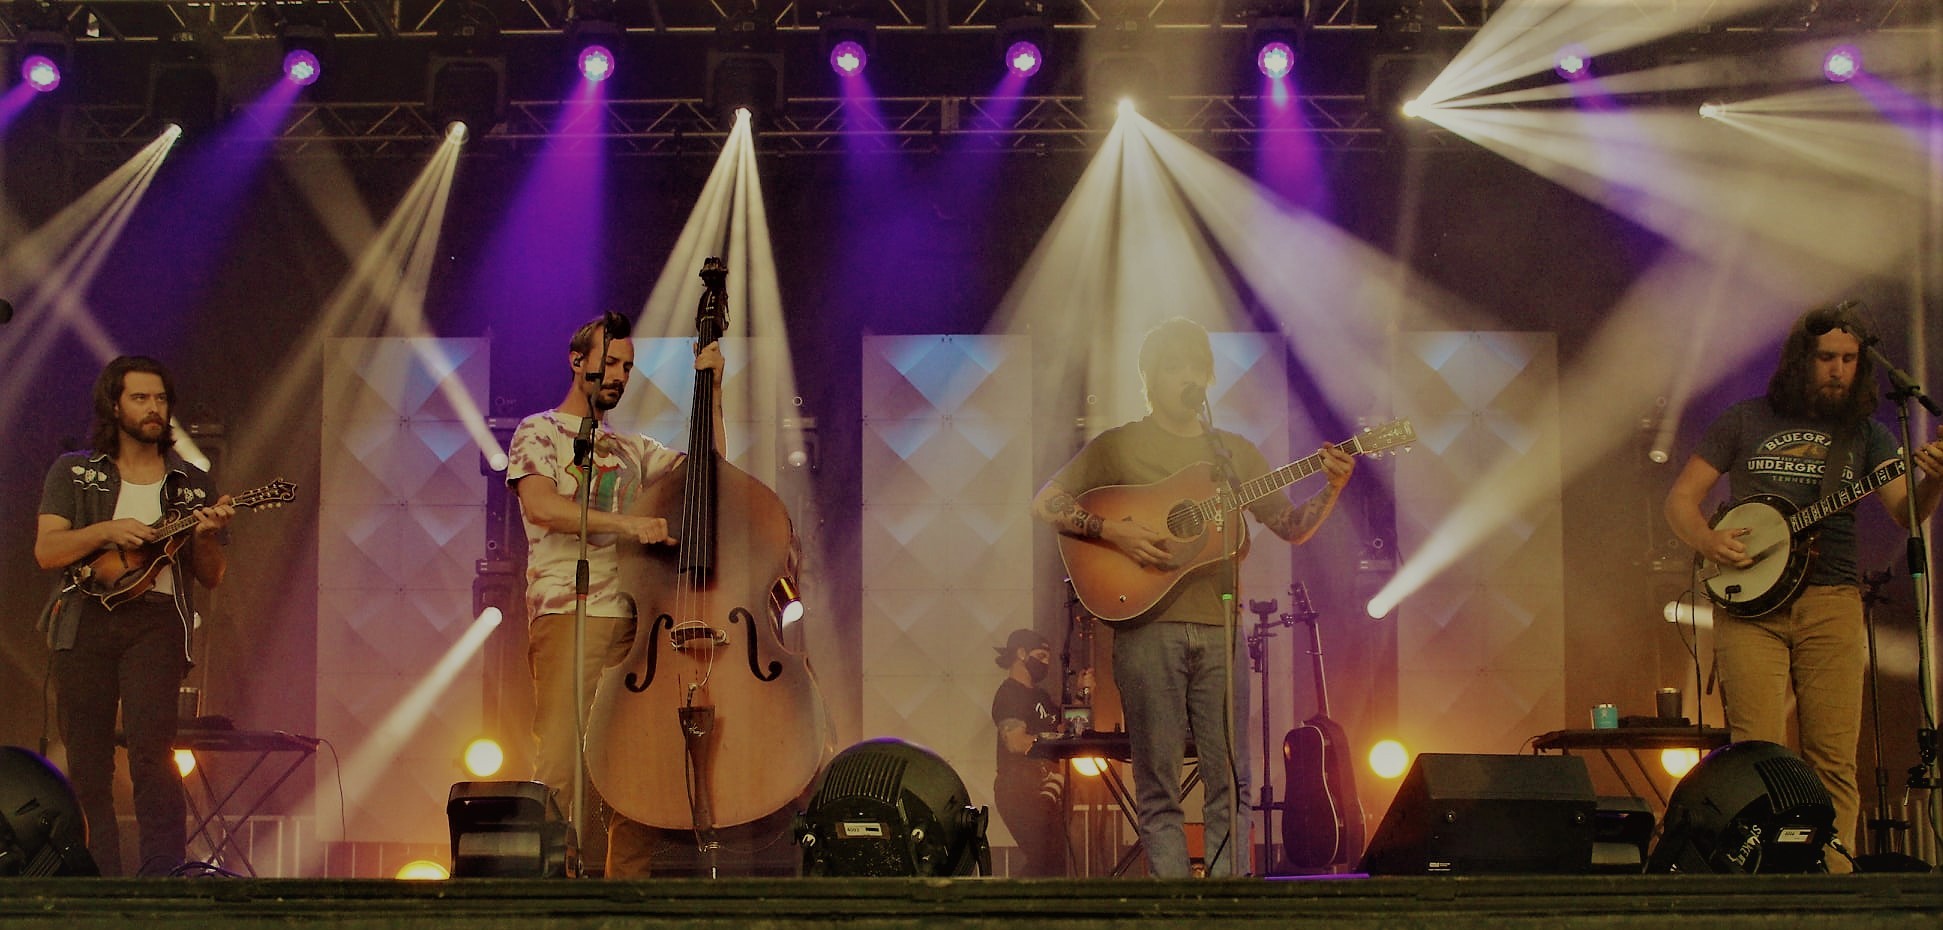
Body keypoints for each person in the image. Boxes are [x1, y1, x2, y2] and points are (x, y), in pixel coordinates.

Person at [1030, 317, 1355, 878]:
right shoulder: (1119, 445)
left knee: (1231, 775)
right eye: (1173, 365)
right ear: (1150, 379)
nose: (1186, 375)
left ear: (1206, 376)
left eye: (1194, 366)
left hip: (1221, 629)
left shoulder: (1232, 455)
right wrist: (1116, 532)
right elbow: (1046, 502)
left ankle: (1227, 905)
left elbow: (1291, 525)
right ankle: (1173, 909)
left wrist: (1331, 487)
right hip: (1145, 626)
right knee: (1157, 781)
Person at [1664, 302, 1943, 870]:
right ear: (1800, 360)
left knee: (1834, 758)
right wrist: (1708, 542)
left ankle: (1836, 882)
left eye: (1848, 359)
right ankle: (1759, 878)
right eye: (1826, 358)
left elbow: (1906, 515)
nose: (1838, 369)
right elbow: (1680, 501)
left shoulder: (1867, 434)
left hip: (1831, 602)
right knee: (1758, 755)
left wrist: (1932, 483)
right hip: (1751, 609)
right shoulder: (1745, 420)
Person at [506, 312, 723, 876]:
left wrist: (712, 390)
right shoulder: (539, 430)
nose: (620, 374)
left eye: (628, 366)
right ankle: (554, 884)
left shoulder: (633, 448)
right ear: (577, 361)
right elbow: (541, 507)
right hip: (565, 614)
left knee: (636, 757)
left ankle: (625, 893)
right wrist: (630, 525)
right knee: (559, 758)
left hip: (631, 625)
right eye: (611, 361)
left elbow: (710, 473)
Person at [34, 356, 235, 876]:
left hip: (157, 621)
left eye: (161, 399)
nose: (153, 409)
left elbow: (211, 576)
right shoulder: (75, 471)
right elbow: (47, 550)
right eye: (141, 398)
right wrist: (106, 530)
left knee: (153, 749)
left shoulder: (192, 484)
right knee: (88, 759)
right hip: (83, 620)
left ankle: (162, 871)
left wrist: (207, 536)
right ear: (115, 404)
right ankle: (94, 873)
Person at [991, 628, 1070, 877]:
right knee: (1043, 858)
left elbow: (1067, 729)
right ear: (1021, 653)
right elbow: (1015, 742)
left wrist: (1083, 693)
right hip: (1018, 788)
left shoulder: (1042, 697)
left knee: (1055, 861)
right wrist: (1048, 739)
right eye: (1040, 656)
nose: (1045, 663)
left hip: (1047, 788)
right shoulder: (1009, 693)